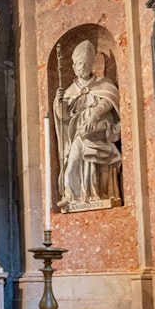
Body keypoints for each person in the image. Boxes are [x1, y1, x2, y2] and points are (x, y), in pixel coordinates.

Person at [54, 40, 122, 207]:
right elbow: (63, 116)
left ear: (91, 64)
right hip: (80, 132)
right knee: (73, 163)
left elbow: (110, 101)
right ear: (74, 67)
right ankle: (73, 197)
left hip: (99, 130)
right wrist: (60, 102)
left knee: (95, 161)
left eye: (85, 64)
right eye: (78, 65)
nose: (81, 67)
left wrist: (95, 114)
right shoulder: (71, 89)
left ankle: (96, 194)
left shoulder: (103, 83)